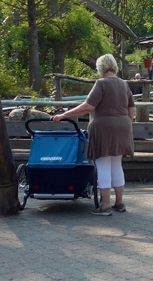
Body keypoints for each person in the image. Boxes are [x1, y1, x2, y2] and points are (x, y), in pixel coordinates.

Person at [51, 54, 135, 216]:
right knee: (116, 164)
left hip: (103, 128)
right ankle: (119, 203)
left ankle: (105, 206)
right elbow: (132, 110)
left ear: (100, 68)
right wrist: (124, 124)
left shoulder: (101, 84)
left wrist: (64, 115)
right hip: (123, 127)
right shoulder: (124, 84)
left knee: (103, 164)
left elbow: (88, 107)